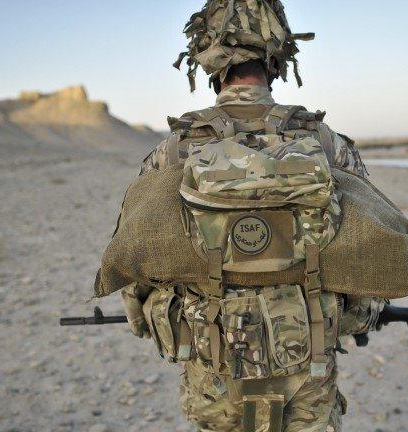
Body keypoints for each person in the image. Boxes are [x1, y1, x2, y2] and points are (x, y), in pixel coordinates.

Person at [121, 1, 385, 430]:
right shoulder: (324, 142)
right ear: (276, 61)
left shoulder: (174, 150)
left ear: (211, 65)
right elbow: (370, 249)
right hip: (308, 366)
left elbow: (136, 261)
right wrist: (357, 315)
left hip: (214, 368)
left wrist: (147, 316)